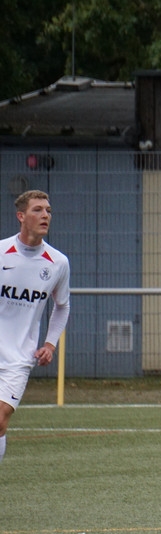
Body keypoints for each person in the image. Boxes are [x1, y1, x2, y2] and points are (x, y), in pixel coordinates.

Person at [0, 190, 71, 464]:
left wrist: (50, 343)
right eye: (38, 210)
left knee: (1, 419)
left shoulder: (58, 263)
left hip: (19, 358)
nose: (45, 216)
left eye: (48, 211)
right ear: (21, 216)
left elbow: (62, 306)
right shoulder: (2, 252)